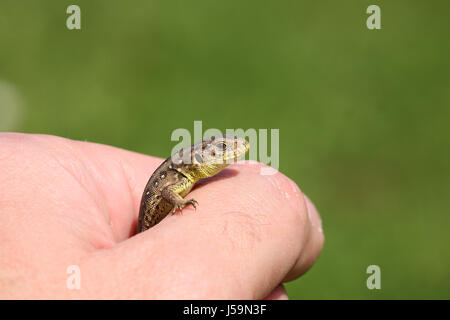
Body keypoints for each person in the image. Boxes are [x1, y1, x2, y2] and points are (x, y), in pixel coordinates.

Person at [0, 133, 324, 299]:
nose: (235, 151)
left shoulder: (189, 174)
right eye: (224, 149)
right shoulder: (179, 179)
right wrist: (180, 204)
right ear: (202, 157)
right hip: (147, 230)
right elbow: (166, 195)